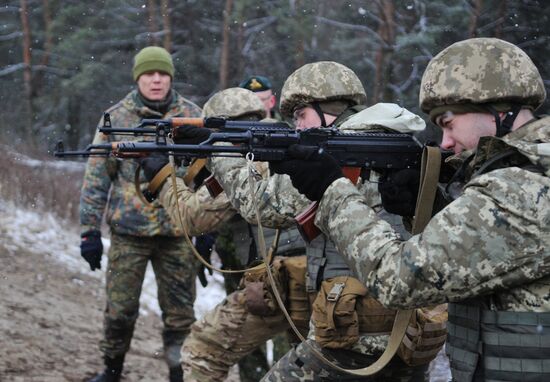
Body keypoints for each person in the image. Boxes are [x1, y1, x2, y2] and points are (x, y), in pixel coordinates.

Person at [270, 39, 550, 381]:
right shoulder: (531, 174)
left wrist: (332, 193)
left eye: (447, 123)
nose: (445, 142)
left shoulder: (519, 188)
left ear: (497, 109)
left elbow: (397, 282)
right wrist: (431, 204)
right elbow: (488, 260)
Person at [201, 61, 446, 381]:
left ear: (324, 109)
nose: (298, 127)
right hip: (397, 331)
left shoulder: (346, 151)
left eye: (300, 116)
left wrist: (219, 150)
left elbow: (260, 206)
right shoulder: (383, 141)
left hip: (359, 335)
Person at [138, 87, 309, 382]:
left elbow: (193, 216)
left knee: (203, 348)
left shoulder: (248, 158)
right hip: (317, 279)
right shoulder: (287, 141)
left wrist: (164, 178)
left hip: (286, 283)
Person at [80, 46, 202, 382]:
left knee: (180, 316)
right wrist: (88, 231)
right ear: (138, 78)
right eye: (149, 74)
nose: (157, 80)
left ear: (171, 77)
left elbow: (208, 175)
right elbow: (95, 178)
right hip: (127, 234)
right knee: (119, 312)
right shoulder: (116, 118)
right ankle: (112, 369)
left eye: (162, 73)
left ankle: (181, 373)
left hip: (177, 233)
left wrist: (206, 230)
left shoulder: (191, 115)